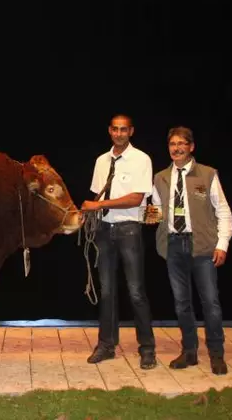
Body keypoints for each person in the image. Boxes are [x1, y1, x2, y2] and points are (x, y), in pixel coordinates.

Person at [149, 126, 232, 375]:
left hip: (203, 246)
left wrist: (222, 244)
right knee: (181, 303)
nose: (177, 148)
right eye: (172, 144)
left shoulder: (207, 174)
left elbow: (224, 212)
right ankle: (189, 352)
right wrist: (140, 215)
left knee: (211, 303)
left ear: (191, 146)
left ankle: (216, 355)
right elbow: (156, 210)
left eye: (182, 143)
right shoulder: (160, 177)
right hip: (174, 245)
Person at [82, 114, 157, 369]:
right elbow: (96, 193)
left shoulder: (141, 159)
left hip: (129, 230)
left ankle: (147, 348)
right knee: (107, 291)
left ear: (131, 131)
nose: (119, 133)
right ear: (109, 131)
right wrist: (89, 213)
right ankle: (106, 345)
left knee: (136, 292)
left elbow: (136, 198)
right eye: (115, 129)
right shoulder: (101, 161)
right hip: (104, 230)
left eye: (123, 129)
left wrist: (99, 204)